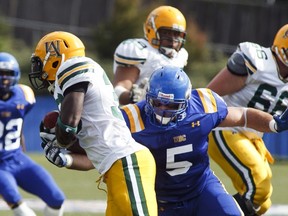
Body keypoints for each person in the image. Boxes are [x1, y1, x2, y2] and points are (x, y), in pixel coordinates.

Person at [38, 66, 288, 216]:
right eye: (157, 103)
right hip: (160, 200)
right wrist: (67, 159)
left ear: (186, 101)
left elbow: (242, 116)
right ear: (148, 97)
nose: (162, 110)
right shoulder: (130, 118)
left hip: (201, 188)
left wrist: (273, 123)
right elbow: (100, 159)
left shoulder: (203, 104)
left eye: (171, 105)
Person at [28, 31, 158, 216]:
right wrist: (65, 158)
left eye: (40, 60)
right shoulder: (78, 86)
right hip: (115, 168)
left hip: (128, 163)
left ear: (56, 57)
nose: (38, 67)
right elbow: (92, 157)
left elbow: (67, 127)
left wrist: (59, 136)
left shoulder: (73, 65)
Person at [206, 24, 288, 216]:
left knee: (262, 204)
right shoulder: (259, 61)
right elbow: (210, 94)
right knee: (258, 187)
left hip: (252, 137)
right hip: (225, 127)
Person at [0, 52, 65, 216]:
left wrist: (22, 146)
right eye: (0, 73)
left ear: (15, 75)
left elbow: (17, 121)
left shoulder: (24, 95)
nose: (4, 78)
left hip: (16, 158)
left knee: (57, 199)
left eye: (8, 73)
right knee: (22, 209)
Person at [113, 5, 188, 105]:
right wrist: (132, 97)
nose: (172, 39)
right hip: (139, 112)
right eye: (166, 33)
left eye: (176, 34)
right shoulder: (140, 51)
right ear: (151, 30)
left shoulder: (181, 55)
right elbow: (118, 90)